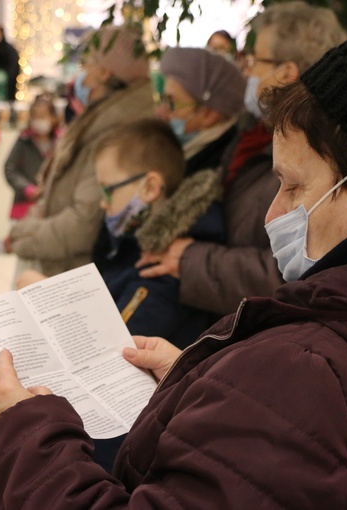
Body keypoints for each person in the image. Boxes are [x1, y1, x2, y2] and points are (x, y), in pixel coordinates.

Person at [0, 21, 347, 508]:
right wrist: (201, 391)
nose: (274, 213)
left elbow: (307, 416)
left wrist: (27, 438)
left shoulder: (300, 372)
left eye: (293, 186)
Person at [140, 2, 347, 316]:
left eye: (254, 60)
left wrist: (193, 261)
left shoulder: (322, 154)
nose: (245, 71)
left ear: (287, 72)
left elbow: (296, 273)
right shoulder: (254, 134)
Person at [90, 118, 224, 471]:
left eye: (108, 190)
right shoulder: (136, 244)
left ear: (149, 187)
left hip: (128, 441)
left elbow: (117, 344)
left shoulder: (161, 267)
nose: (103, 204)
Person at [9, 26, 155, 281]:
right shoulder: (96, 120)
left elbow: (83, 223)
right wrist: (30, 225)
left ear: (103, 71)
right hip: (62, 264)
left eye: (86, 64)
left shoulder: (116, 133)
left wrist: (26, 236)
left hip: (76, 274)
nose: (80, 75)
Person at [158, 47, 245, 176]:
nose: (161, 111)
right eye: (163, 100)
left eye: (172, 103)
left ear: (209, 115)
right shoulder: (193, 153)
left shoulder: (216, 168)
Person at [3, 96, 60, 221]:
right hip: (23, 207)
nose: (39, 121)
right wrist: (27, 188)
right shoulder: (24, 140)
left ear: (54, 118)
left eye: (43, 116)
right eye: (35, 116)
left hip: (52, 207)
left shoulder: (61, 142)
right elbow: (10, 168)